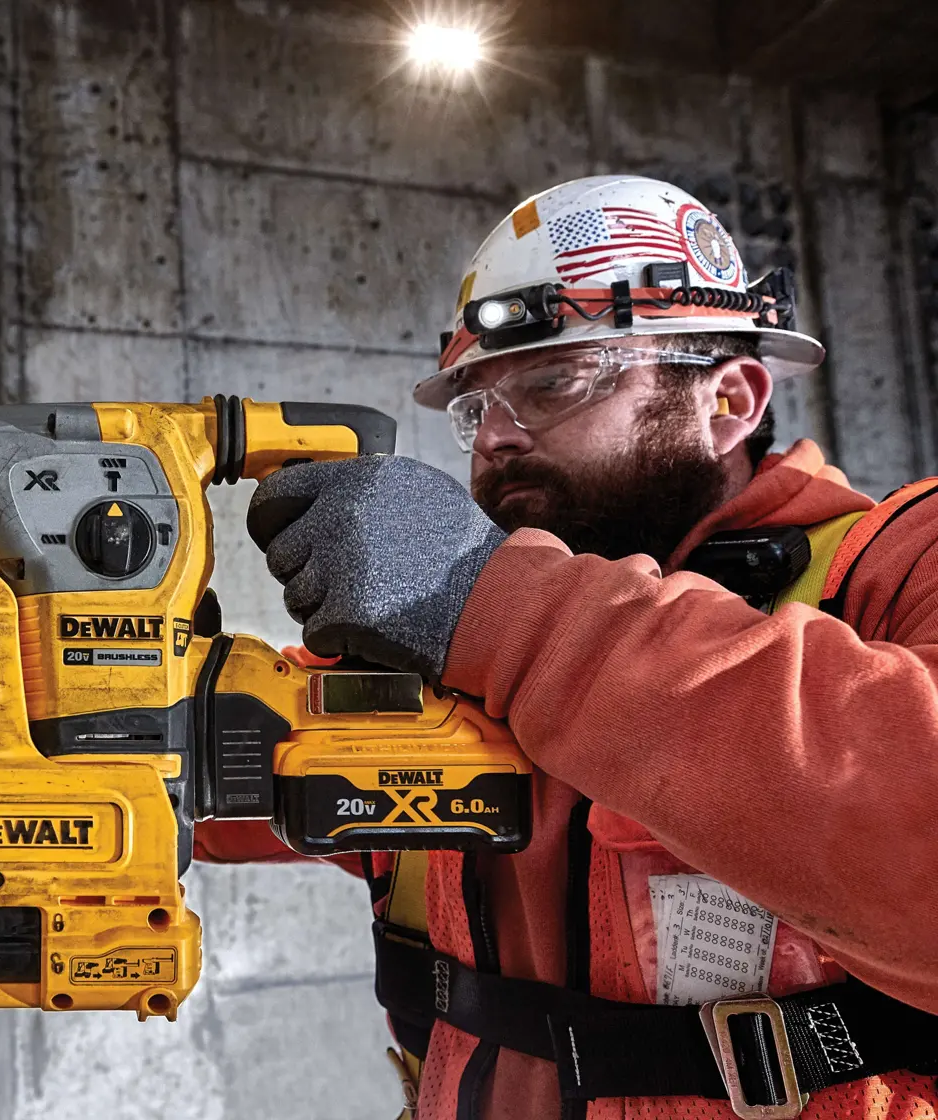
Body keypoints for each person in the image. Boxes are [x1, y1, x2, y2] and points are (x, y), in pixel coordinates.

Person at [196, 175, 938, 1119]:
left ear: (732, 399)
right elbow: (202, 772)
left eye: (551, 382)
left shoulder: (900, 565)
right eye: (475, 409)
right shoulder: (455, 655)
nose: (495, 440)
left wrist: (503, 610)